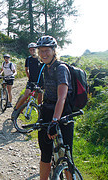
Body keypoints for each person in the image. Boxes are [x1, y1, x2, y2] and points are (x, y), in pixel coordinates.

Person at [36, 35, 73, 180]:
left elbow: (61, 97)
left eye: (47, 51)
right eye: (41, 51)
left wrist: (55, 121)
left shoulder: (61, 68)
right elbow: (45, 91)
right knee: (45, 154)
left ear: (53, 51)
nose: (44, 54)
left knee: (66, 155)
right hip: (47, 111)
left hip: (63, 113)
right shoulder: (45, 68)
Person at [11, 43, 43, 119]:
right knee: (26, 95)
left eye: (34, 49)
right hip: (31, 81)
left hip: (40, 81)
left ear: (37, 49)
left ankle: (40, 116)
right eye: (30, 50)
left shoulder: (41, 59)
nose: (32, 51)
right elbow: (26, 69)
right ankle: (16, 110)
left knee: (39, 100)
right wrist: (29, 78)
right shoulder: (28, 59)